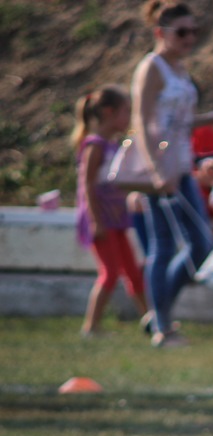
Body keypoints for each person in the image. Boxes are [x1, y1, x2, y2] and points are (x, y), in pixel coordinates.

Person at [131, 1, 213, 347]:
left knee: (198, 244)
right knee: (168, 246)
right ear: (160, 33)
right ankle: (162, 325)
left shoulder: (179, 69)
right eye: (183, 32)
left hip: (181, 166)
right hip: (160, 171)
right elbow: (142, 123)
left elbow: (180, 122)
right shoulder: (152, 68)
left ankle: (159, 315)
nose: (190, 38)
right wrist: (156, 170)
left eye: (195, 31)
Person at [71, 85, 149, 337]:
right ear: (108, 112)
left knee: (132, 271)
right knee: (110, 273)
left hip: (117, 220)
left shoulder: (115, 145)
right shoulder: (94, 145)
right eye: (126, 111)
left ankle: (150, 319)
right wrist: (95, 221)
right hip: (100, 221)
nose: (129, 117)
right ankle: (90, 326)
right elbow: (87, 187)